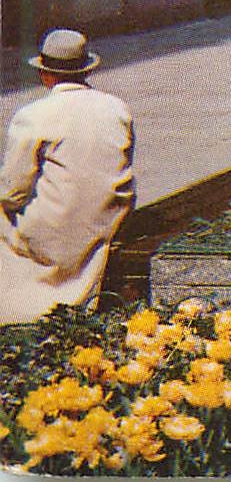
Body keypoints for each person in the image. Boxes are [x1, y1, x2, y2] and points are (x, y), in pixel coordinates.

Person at [0, 29, 135, 324]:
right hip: (107, 223)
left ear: (45, 75)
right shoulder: (118, 109)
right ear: (86, 69)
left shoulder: (33, 115)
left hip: (56, 235)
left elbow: (12, 193)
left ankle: (22, 301)